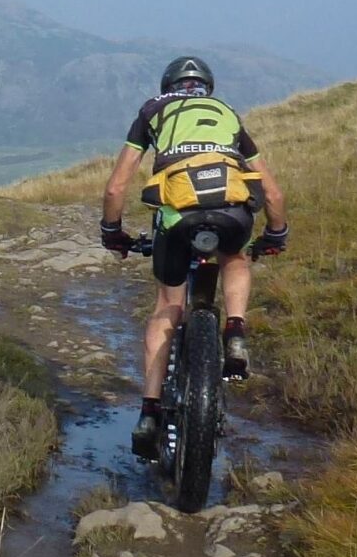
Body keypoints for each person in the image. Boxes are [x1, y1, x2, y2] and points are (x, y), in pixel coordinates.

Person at [96, 56, 290, 456]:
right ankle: (235, 331)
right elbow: (272, 193)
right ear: (207, 88)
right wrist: (275, 234)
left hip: (178, 215)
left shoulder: (152, 110)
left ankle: (150, 413)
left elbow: (117, 188)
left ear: (169, 85)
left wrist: (112, 233)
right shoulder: (227, 114)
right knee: (235, 256)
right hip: (233, 212)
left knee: (168, 304)